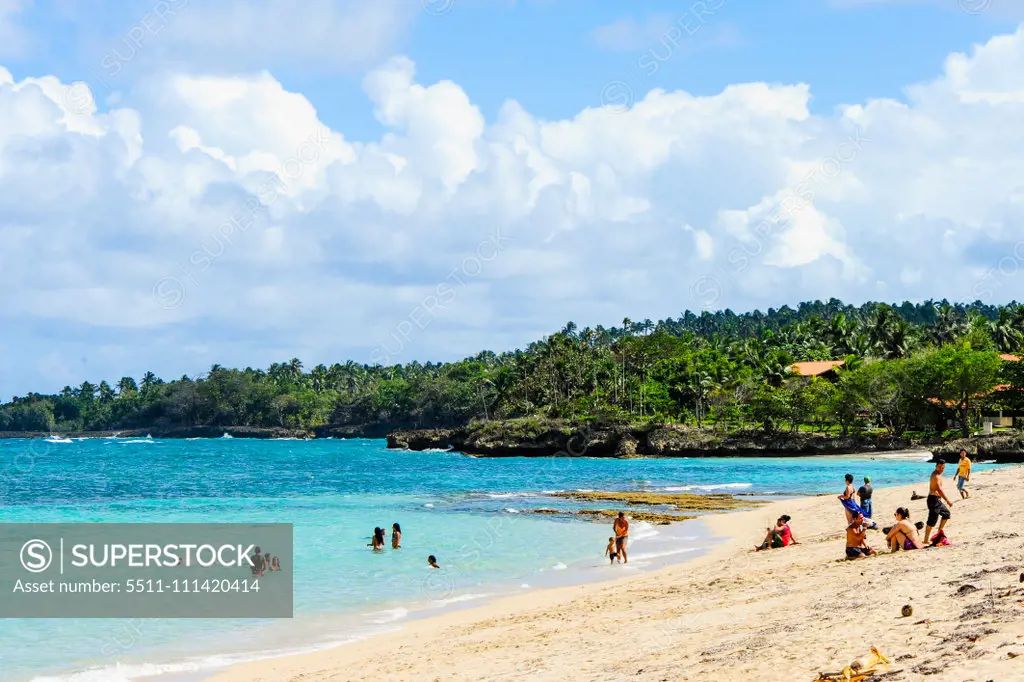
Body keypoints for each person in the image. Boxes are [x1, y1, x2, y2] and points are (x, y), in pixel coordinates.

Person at [923, 461, 954, 545]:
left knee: (946, 513)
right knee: (932, 520)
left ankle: (939, 533)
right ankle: (925, 540)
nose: (941, 469)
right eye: (939, 467)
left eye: (943, 468)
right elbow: (939, 490)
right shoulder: (935, 476)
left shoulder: (940, 474)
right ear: (936, 466)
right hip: (933, 500)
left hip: (937, 500)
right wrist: (947, 501)